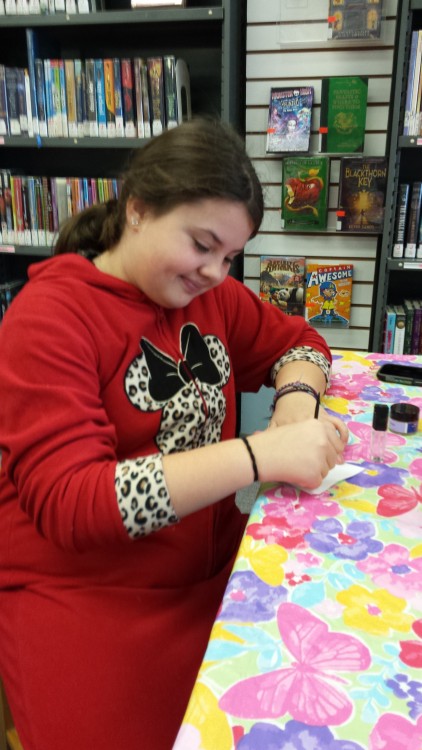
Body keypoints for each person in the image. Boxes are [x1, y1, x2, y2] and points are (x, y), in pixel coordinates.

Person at [0, 116, 348, 750]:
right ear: (138, 209)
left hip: (209, 574)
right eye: (201, 244)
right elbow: (76, 504)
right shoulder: (47, 319)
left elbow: (301, 340)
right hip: (88, 594)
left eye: (230, 256)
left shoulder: (205, 297)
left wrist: (296, 404)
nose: (216, 271)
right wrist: (258, 452)